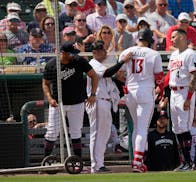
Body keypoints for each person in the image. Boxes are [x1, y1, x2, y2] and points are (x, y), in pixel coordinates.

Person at [42, 41, 98, 159]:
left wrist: (93, 94)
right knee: (52, 132)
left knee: (76, 132)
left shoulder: (79, 61)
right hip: (58, 103)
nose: (73, 55)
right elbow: (45, 84)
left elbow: (94, 76)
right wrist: (50, 98)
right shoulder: (52, 64)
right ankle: (45, 161)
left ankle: (78, 161)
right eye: (71, 53)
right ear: (63, 53)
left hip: (77, 102)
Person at [118, 28, 164, 173]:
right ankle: (138, 163)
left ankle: (136, 161)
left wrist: (127, 83)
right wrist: (160, 91)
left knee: (136, 128)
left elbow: (119, 74)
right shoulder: (154, 53)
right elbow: (159, 78)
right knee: (142, 129)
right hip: (146, 90)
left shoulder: (127, 51)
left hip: (131, 91)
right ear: (150, 40)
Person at [86, 40, 132, 173]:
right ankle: (95, 165)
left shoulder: (101, 64)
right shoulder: (93, 64)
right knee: (97, 134)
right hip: (97, 101)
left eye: (104, 49)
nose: (104, 52)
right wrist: (122, 61)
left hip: (105, 101)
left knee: (104, 134)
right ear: (94, 52)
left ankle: (99, 164)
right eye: (101, 50)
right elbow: (107, 73)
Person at [163, 28, 196, 171]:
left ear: (182, 37)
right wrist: (160, 87)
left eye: (174, 36)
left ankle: (189, 163)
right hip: (174, 92)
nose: (171, 39)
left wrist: (189, 98)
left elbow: (194, 77)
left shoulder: (190, 54)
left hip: (185, 91)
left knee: (184, 127)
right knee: (177, 128)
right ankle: (184, 162)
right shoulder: (173, 55)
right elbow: (169, 75)